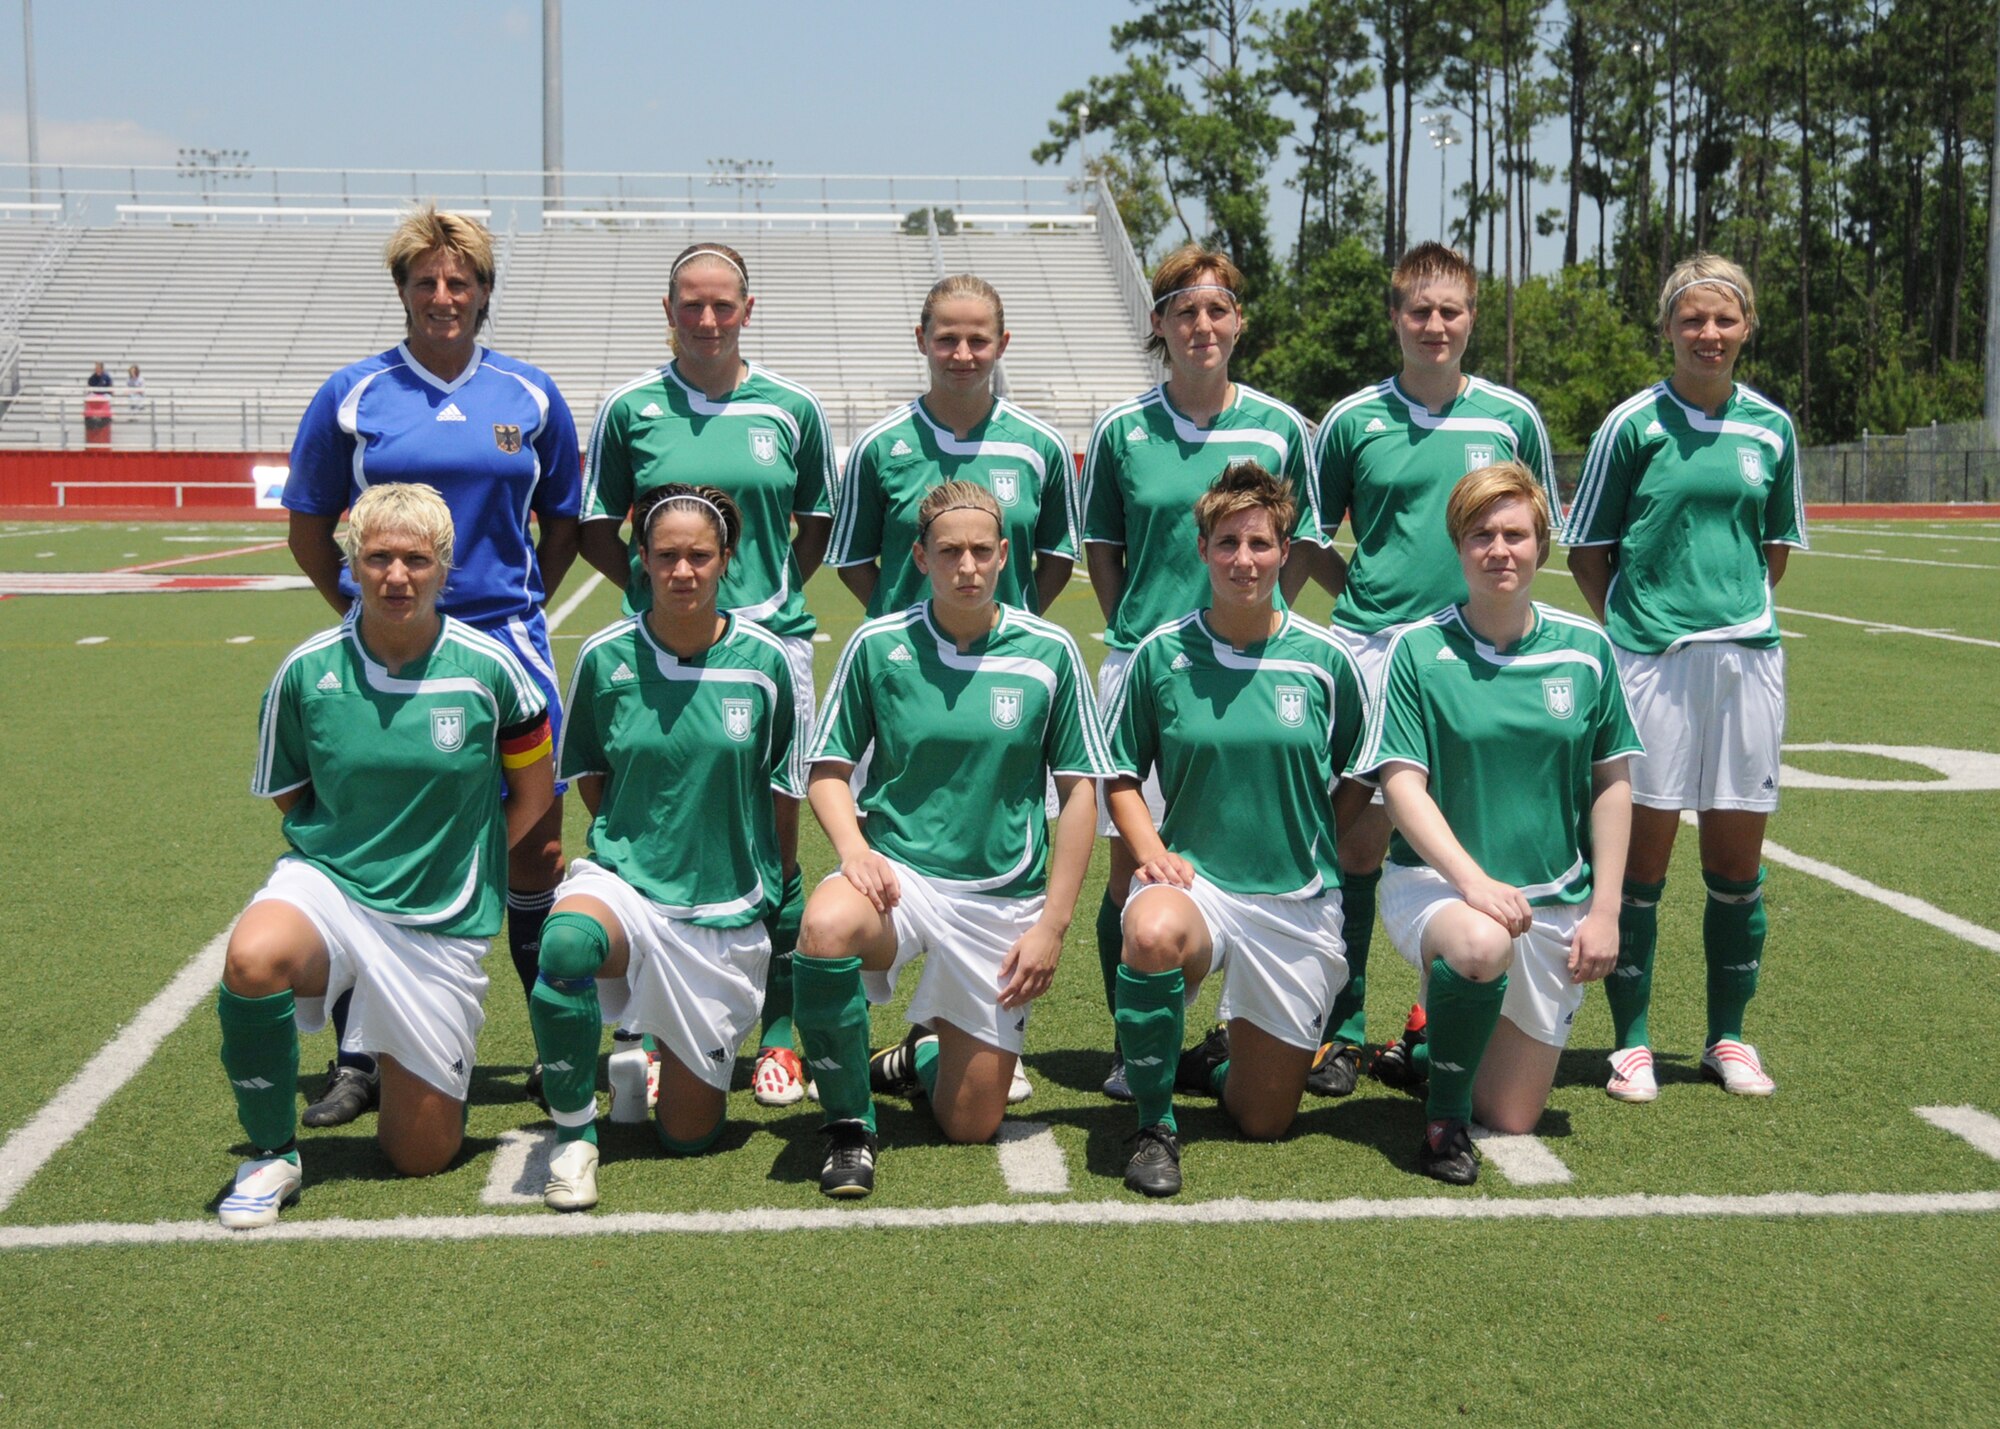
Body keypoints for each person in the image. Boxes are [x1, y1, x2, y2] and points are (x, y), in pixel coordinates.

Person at [283, 204, 580, 1126]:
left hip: (510, 652)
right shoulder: (352, 393)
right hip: (390, 657)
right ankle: (359, 1056)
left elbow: (563, 521)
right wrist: (369, 617)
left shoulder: (529, 394)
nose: (443, 295)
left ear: (485, 292)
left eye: (461, 281)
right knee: (371, 847)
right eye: (426, 281)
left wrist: (511, 608)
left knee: (536, 846)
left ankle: (556, 1044)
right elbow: (306, 526)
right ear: (404, 290)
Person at [217, 483, 553, 1229]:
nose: (396, 575)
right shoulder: (305, 671)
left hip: (438, 921)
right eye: (378, 558)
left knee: (420, 1153)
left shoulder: (491, 669)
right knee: (252, 957)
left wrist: (466, 857)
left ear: (444, 569)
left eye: (415, 559)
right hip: (330, 886)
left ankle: (405, 1073)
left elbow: (530, 796)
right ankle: (272, 1152)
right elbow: (291, 794)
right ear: (351, 566)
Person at [795, 481, 1110, 1198]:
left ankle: (920, 1053)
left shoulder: (1050, 651)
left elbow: (1079, 791)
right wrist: (853, 850)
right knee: (825, 923)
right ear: (920, 557)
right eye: (948, 551)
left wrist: (1053, 926)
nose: (965, 565)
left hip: (1001, 900)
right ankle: (848, 1126)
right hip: (900, 879)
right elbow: (827, 770)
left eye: (979, 551)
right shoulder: (879, 644)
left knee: (970, 1123)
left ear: (1004, 555)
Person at [577, 241, 835, 1112]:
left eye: (724, 305)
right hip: (657, 653)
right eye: (692, 304)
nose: (708, 319)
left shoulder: (792, 407)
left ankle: (780, 1034)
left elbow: (814, 525)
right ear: (668, 309)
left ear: (748, 310)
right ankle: (648, 1025)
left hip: (773, 647)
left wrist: (747, 604)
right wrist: (670, 607)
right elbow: (597, 525)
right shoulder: (629, 408)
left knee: (779, 846)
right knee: (649, 832)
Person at [1080, 243, 1327, 1102]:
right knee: (1134, 872)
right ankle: (1136, 1045)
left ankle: (1258, 1025)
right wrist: (1135, 624)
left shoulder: (1282, 426)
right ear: (1159, 324)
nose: (1203, 324)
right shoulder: (1122, 428)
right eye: (1185, 310)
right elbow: (1102, 547)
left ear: (1239, 321)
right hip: (1152, 665)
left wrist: (1262, 627)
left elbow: (1299, 544)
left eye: (1218, 308)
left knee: (1252, 844)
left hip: (1254, 665)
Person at [1311, 241, 1557, 1100]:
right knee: (1354, 837)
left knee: (1457, 836)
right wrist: (1368, 595)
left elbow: (1528, 529)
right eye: (1419, 309)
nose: (1435, 324)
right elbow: (1311, 535)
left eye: (1450, 309)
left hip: (1468, 653)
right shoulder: (1351, 419)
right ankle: (1337, 1028)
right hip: (1372, 650)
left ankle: (1428, 1025)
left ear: (1472, 316)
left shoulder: (1510, 417)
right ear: (1395, 318)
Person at [1352, 463, 1638, 1185]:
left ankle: (1424, 1047)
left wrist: (1605, 910)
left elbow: (1611, 783)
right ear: (1459, 547)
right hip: (1441, 889)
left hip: (1551, 901)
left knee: (1512, 1113)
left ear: (1542, 544)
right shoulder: (1418, 649)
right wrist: (1472, 882)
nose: (1499, 549)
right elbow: (1401, 785)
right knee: (1478, 945)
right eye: (1481, 534)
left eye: (1515, 534)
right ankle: (1443, 1121)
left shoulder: (1586, 649)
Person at [1563, 254, 1805, 1103]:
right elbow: (1588, 547)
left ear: (1747, 329)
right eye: (1692, 320)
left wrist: (1724, 620)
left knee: (1737, 862)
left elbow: (1773, 551)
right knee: (1643, 862)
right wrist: (1634, 632)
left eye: (1724, 320)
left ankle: (1728, 1036)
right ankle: (1631, 1041)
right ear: (1666, 327)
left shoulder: (1771, 428)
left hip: (1746, 662)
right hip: (1649, 665)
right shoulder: (1633, 425)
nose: (1709, 335)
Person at [530, 485, 803, 1211]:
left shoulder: (766, 662)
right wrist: (639, 839)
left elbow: (779, 788)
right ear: (642, 562)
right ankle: (574, 1138)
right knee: (564, 946)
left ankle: (638, 1064)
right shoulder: (604, 657)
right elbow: (593, 777)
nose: (683, 570)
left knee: (688, 1135)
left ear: (726, 561)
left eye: (699, 556)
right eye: (666, 556)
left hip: (722, 909)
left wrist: (778, 881)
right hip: (626, 886)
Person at [1103, 463, 1368, 1197]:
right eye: (1227, 543)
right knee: (1151, 930)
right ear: (1202, 550)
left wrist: (1318, 832)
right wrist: (1152, 853)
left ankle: (1214, 1063)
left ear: (1287, 550)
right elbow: (1119, 773)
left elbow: (1363, 774)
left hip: (1295, 899)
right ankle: (1154, 1123)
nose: (1243, 560)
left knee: (1263, 1119)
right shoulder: (1161, 654)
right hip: (1200, 887)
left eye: (1259, 543)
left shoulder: (1325, 660)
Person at [827, 273, 1076, 620]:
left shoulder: (1042, 446)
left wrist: (1012, 622)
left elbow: (1058, 559)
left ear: (1002, 344)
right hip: (908, 662)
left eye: (978, 340)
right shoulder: (878, 446)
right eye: (947, 340)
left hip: (1007, 659)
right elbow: (853, 561)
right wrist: (903, 622)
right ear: (921, 339)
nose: (962, 355)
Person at [84, 361, 113, 444]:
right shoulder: (92, 377)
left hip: (104, 394)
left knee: (108, 398)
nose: (97, 369)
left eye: (98, 368)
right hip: (95, 395)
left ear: (102, 368)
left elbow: (110, 389)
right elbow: (89, 388)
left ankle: (107, 417)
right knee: (88, 398)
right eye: (96, 368)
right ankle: (90, 417)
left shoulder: (106, 377)